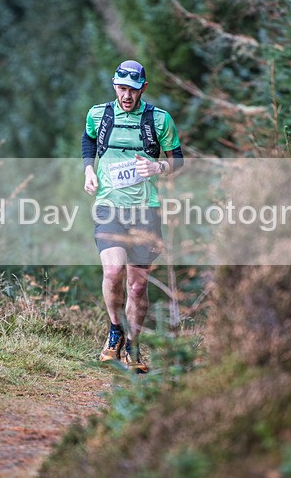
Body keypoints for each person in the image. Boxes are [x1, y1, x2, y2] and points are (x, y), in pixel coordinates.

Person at [81, 59, 184, 373]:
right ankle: (115, 329)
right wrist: (88, 169)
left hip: (145, 211)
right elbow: (88, 138)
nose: (127, 95)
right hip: (109, 206)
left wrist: (157, 168)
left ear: (143, 89)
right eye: (122, 88)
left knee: (138, 286)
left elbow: (177, 160)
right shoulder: (99, 114)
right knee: (113, 273)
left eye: (133, 90)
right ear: (114, 86)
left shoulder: (160, 120)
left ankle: (134, 347)